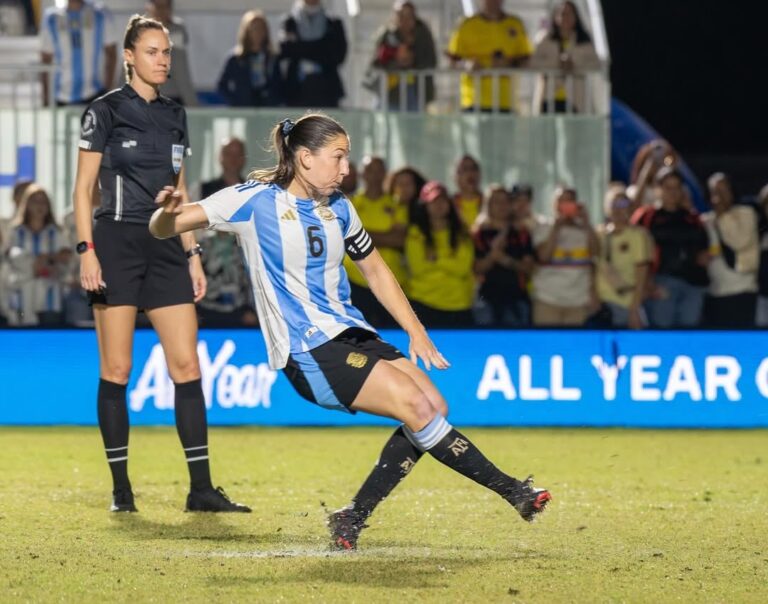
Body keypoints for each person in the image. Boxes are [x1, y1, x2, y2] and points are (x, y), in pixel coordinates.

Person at [149, 112, 551, 551]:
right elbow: (165, 227)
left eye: (347, 157)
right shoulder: (253, 200)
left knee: (434, 405)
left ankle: (351, 517)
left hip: (352, 332)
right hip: (309, 350)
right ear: (305, 158)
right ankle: (514, 492)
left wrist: (415, 330)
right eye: (338, 157)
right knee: (417, 406)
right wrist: (166, 214)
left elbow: (375, 270)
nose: (346, 168)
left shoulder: (339, 206)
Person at [72, 14, 250, 514]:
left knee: (187, 365)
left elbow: (182, 191)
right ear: (129, 57)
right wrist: (86, 251)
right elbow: (83, 190)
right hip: (115, 244)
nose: (162, 60)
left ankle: (201, 490)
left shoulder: (176, 114)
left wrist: (192, 253)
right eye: (152, 51)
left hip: (166, 243)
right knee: (118, 368)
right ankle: (121, 491)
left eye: (167, 52)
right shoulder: (103, 111)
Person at [632, 167, 709, 328]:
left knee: (689, 331)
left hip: (693, 284)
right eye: (668, 187)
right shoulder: (646, 216)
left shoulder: (692, 218)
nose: (672, 192)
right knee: (662, 330)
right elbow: (635, 251)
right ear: (657, 189)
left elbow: (704, 247)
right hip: (661, 283)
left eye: (677, 187)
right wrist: (646, 283)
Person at [197, 137, 257, 328]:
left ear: (244, 158)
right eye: (228, 154)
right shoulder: (202, 189)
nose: (233, 159)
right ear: (220, 157)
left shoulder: (254, 191)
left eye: (237, 154)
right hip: (209, 272)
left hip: (243, 273)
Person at [343, 155, 407, 327]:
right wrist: (385, 236)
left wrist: (360, 235)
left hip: (390, 281)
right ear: (362, 174)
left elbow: (399, 240)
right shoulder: (349, 203)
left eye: (379, 170)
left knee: (392, 333)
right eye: (370, 170)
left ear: (385, 174)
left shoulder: (396, 205)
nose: (374, 175)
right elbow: (343, 236)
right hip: (355, 282)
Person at [405, 180, 475, 327]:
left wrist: (436, 259)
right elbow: (418, 269)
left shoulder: (461, 233)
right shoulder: (415, 233)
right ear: (425, 206)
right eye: (433, 202)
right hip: (424, 303)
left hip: (459, 304)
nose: (439, 205)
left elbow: (463, 268)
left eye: (443, 200)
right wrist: (450, 261)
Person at [0, 184, 70, 326]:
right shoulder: (15, 231)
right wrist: (31, 264)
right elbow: (8, 255)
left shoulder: (56, 231)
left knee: (49, 335)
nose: (40, 206)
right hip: (20, 297)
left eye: (43, 201)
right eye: (35, 201)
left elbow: (66, 254)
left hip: (50, 299)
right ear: (26, 204)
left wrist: (48, 259)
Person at [447, 0, 532, 112]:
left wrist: (508, 64)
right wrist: (467, 65)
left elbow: (526, 59)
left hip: (506, 101)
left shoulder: (515, 24)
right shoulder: (467, 25)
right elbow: (453, 60)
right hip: (473, 100)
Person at [531, 186, 599, 327]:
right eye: (561, 201)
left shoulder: (585, 230)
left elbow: (596, 253)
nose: (565, 205)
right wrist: (556, 228)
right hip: (547, 299)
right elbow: (544, 256)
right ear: (554, 205)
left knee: (574, 340)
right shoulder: (543, 228)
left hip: (578, 300)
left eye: (570, 201)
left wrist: (586, 223)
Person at [701, 173, 758, 328]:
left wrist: (722, 217)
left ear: (732, 191)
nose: (719, 196)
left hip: (742, 290)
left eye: (723, 190)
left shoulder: (745, 214)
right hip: (715, 291)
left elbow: (739, 242)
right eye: (715, 191)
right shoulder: (706, 220)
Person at [472, 184, 535, 327]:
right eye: (496, 201)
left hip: (516, 299)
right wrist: (493, 257)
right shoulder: (479, 234)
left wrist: (505, 260)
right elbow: (476, 268)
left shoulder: (521, 233)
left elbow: (529, 268)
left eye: (505, 201)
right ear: (488, 205)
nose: (502, 206)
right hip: (486, 299)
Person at [40, 0, 117, 106]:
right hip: (61, 97)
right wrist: (46, 98)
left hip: (94, 94)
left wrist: (108, 92)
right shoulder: (51, 18)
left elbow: (111, 54)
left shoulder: (100, 14)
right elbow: (45, 60)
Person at [595, 188, 652, 329]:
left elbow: (642, 273)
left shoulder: (637, 235)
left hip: (626, 302)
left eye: (622, 204)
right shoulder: (598, 235)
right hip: (600, 304)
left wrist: (634, 308)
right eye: (613, 204)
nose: (618, 209)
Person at [530, 0, 600, 114]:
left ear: (576, 17)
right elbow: (533, 62)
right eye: (562, 14)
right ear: (555, 16)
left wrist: (574, 64)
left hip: (575, 98)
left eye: (569, 14)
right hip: (549, 97)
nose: (565, 18)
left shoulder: (584, 40)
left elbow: (596, 63)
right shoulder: (544, 39)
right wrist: (557, 63)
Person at [368, 0, 437, 111]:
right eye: (401, 15)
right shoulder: (387, 35)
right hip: (389, 91)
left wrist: (412, 60)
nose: (405, 20)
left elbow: (430, 61)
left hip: (415, 91)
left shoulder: (423, 35)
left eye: (408, 16)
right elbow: (375, 63)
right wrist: (396, 62)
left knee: (413, 121)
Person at [278, 0, 347, 108]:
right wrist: (322, 47)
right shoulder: (289, 21)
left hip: (326, 88)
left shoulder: (333, 23)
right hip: (296, 89)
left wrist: (299, 47)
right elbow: (285, 51)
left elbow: (338, 55)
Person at [217, 10, 283, 108]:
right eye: (254, 29)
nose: (258, 33)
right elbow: (222, 85)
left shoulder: (272, 58)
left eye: (261, 28)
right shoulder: (236, 58)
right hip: (244, 107)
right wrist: (236, 102)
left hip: (267, 107)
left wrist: (274, 100)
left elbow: (279, 84)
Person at [145, 0, 197, 107]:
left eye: (165, 7)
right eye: (158, 6)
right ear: (149, 8)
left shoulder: (177, 32)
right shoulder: (137, 31)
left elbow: (181, 72)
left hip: (170, 99)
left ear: (170, 9)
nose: (161, 11)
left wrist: (193, 105)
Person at [453, 154, 483, 228]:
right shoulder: (449, 206)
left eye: (474, 169)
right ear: (455, 176)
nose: (470, 173)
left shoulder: (490, 203)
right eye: (465, 169)